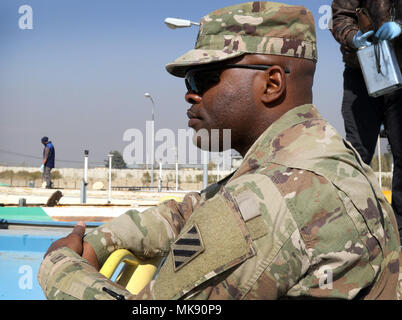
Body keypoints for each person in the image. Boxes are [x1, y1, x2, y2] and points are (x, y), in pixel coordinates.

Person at [38, 1, 402, 300]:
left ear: (271, 83)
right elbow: (201, 207)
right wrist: (107, 238)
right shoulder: (317, 157)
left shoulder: (267, 200)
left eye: (205, 78)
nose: (190, 93)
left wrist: (61, 268)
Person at [330, 0, 402, 242]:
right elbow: (340, 18)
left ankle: (400, 235)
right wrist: (354, 37)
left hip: (401, 70)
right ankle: (351, 230)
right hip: (362, 70)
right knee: (357, 153)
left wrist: (399, 26)